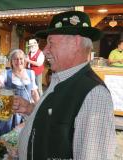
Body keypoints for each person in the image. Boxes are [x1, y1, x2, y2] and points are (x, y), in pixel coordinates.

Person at [14, 11, 116, 160]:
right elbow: (59, 122)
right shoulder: (62, 78)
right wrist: (31, 109)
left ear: (75, 42)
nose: (45, 50)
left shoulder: (94, 94)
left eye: (51, 43)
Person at [0, 49, 40, 135]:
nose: (18, 61)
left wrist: (39, 107)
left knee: (23, 138)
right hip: (9, 113)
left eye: (21, 59)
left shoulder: (30, 73)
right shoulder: (5, 74)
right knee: (6, 138)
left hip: (25, 112)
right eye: (15, 59)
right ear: (11, 62)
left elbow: (34, 93)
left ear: (24, 60)